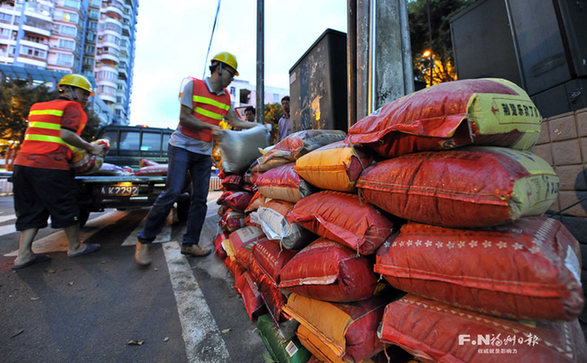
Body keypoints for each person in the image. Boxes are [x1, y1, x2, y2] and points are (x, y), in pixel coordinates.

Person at [135, 51, 258, 267]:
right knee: (173, 191)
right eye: (231, 73)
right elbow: (184, 118)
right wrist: (211, 127)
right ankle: (144, 240)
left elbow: (234, 121)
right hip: (181, 146)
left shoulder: (226, 98)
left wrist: (258, 127)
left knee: (200, 199)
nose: (231, 78)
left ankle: (189, 243)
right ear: (218, 68)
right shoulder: (193, 86)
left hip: (202, 153)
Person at [11, 74, 106, 270]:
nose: (86, 98)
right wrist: (91, 149)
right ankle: (76, 246)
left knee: (31, 208)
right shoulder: (72, 107)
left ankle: (23, 255)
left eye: (88, 95)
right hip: (50, 165)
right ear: (69, 90)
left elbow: (47, 135)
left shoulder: (37, 107)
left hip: (23, 165)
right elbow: (66, 134)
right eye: (83, 93)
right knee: (66, 205)